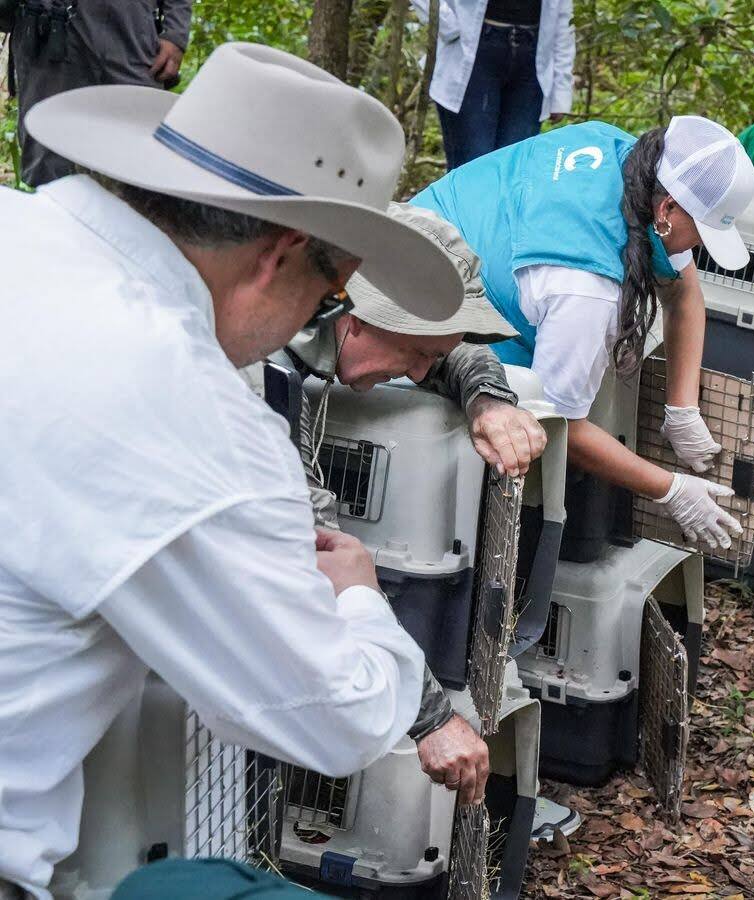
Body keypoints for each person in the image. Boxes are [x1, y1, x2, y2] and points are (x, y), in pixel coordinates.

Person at [0, 43, 474, 900]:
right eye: (331, 296)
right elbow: (335, 720)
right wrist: (360, 594)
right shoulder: (188, 408)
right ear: (279, 255)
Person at [265, 204, 547, 789]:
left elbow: (452, 357)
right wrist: (431, 719)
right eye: (416, 353)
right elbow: (316, 561)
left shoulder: (316, 323)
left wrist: (488, 399)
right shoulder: (262, 372)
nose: (422, 373)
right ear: (358, 318)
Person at [411, 115, 754, 550]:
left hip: (440, 238)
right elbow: (558, 423)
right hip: (421, 317)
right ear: (667, 209)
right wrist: (669, 489)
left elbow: (683, 294)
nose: (702, 246)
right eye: (704, 232)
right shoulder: (585, 288)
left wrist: (682, 408)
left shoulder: (627, 159)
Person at [11, 0, 192, 186]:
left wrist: (175, 32)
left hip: (132, 32)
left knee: (139, 155)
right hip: (53, 29)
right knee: (49, 154)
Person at [412, 0, 575, 169]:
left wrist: (561, 89)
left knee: (513, 170)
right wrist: (446, 23)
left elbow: (564, 15)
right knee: (473, 168)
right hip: (471, 55)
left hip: (533, 61)